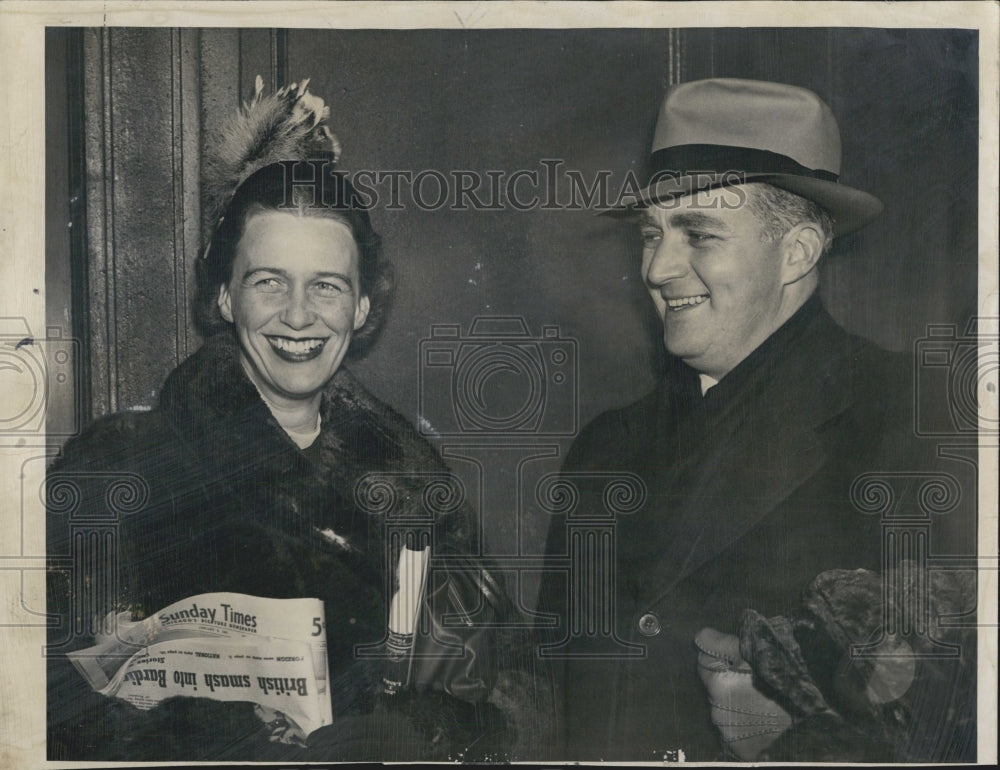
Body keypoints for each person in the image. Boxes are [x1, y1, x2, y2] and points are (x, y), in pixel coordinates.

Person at [46, 79, 510, 761]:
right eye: (269, 282)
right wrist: (204, 732)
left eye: (326, 286)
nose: (298, 316)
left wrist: (417, 732)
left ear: (360, 308)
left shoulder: (415, 482)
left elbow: (505, 685)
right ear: (225, 295)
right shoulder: (113, 467)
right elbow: (42, 690)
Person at [539, 78, 976, 762]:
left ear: (797, 253)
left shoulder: (917, 419)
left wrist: (791, 745)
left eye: (699, 233)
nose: (657, 266)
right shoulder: (603, 448)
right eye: (651, 233)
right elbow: (554, 706)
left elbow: (961, 721)